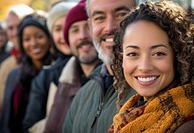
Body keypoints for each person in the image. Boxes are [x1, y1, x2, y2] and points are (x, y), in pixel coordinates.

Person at [108, 1, 194, 133]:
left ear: (178, 56)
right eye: (133, 54)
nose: (144, 66)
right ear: (122, 59)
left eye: (158, 53)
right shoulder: (125, 115)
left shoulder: (188, 125)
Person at [62, 0, 137, 133]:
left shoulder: (150, 89)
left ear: (139, 17)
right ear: (90, 26)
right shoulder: (82, 95)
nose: (109, 27)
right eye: (99, 18)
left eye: (121, 14)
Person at [43, 0, 102, 132]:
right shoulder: (64, 81)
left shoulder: (112, 81)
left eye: (88, 27)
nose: (82, 36)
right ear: (68, 39)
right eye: (75, 30)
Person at [22, 2, 77, 133]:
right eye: (58, 29)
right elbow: (30, 125)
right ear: (51, 34)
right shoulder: (47, 75)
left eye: (70, 27)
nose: (64, 34)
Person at [0, 13, 53, 133]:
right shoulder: (15, 75)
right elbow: (6, 119)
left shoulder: (57, 72)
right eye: (27, 39)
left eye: (39, 36)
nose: (33, 43)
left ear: (49, 38)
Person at [0, 4, 33, 132]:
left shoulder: (46, 64)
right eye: (10, 28)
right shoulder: (6, 66)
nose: (15, 32)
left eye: (19, 25)